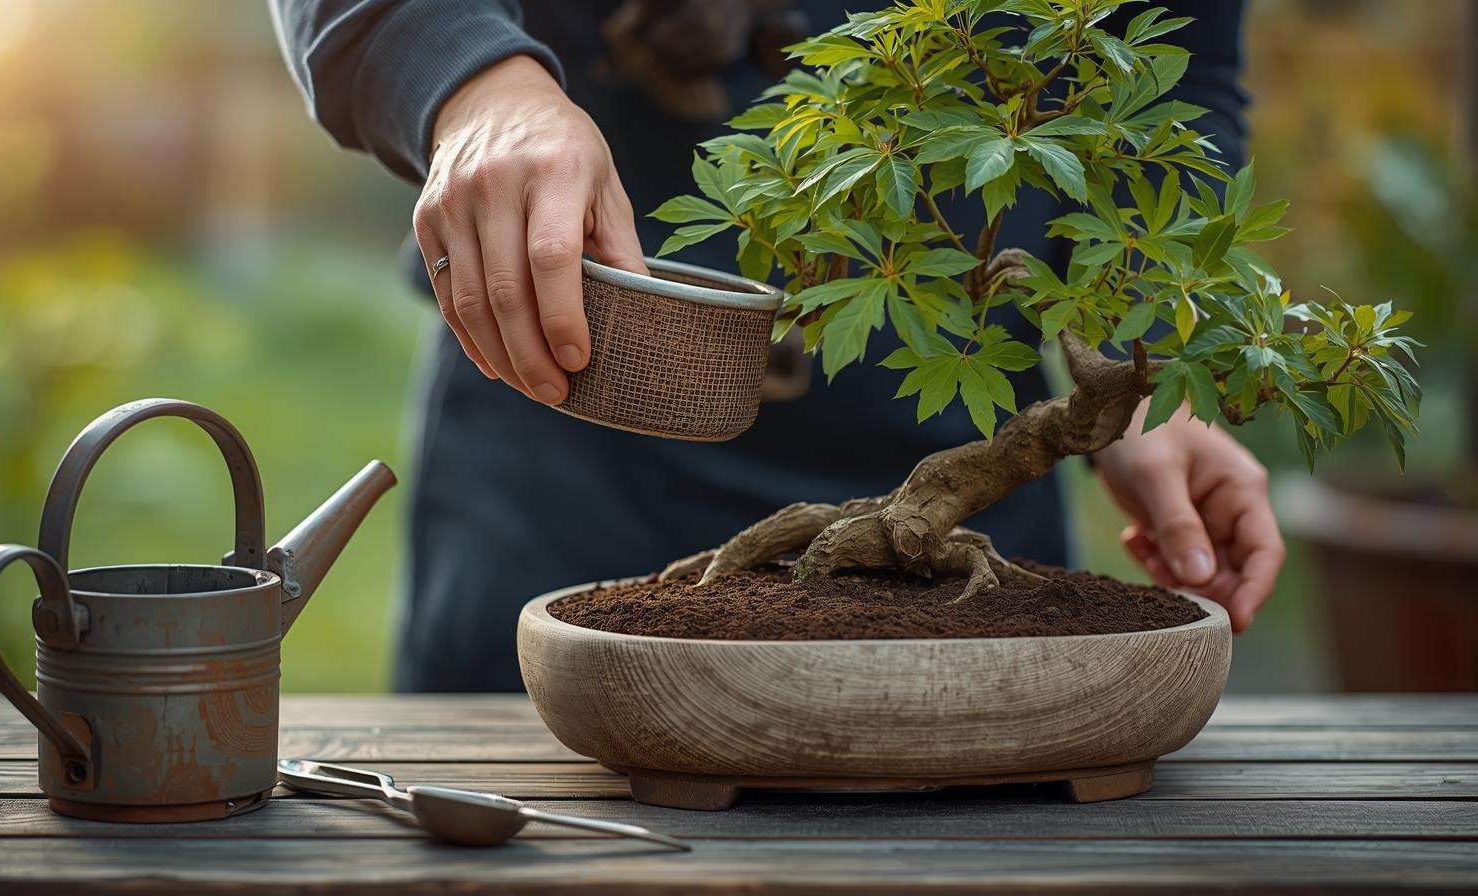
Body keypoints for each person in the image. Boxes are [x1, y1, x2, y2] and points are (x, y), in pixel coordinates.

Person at [271, 0, 1281, 692]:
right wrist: (474, 84)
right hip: (572, 424)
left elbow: (1178, 70)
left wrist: (1140, 363)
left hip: (971, 466)